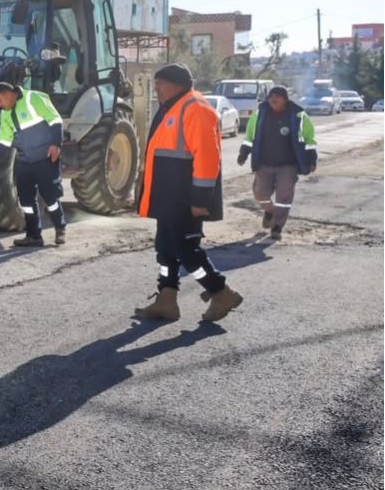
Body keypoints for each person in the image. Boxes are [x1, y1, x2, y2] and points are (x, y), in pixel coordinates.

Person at [134, 63, 243, 323]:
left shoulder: (196, 108)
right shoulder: (173, 106)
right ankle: (167, 299)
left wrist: (199, 199)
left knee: (186, 250)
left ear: (177, 84)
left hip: (184, 198)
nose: (156, 88)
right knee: (165, 248)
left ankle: (220, 291)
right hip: (167, 196)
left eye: (160, 82)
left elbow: (207, 158)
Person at [0, 82, 67, 246]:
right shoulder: (5, 114)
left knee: (50, 197)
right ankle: (34, 236)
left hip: (45, 157)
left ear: (8, 94)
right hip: (24, 160)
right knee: (26, 200)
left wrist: (56, 144)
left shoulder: (33, 98)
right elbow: (4, 141)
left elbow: (55, 119)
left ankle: (60, 228)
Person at [237, 85, 317, 240]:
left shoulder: (299, 116)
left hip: (288, 165)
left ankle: (277, 226)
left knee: (284, 197)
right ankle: (269, 211)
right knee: (260, 192)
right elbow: (249, 136)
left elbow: (309, 140)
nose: (273, 98)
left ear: (285, 99)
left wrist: (312, 159)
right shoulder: (260, 113)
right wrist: (244, 153)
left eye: (277, 96)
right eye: (271, 96)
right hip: (264, 163)